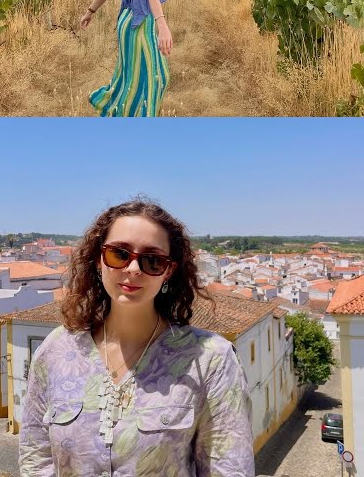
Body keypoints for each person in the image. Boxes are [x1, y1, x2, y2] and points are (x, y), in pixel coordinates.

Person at [19, 200, 254, 476]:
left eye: (152, 260)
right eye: (119, 254)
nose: (133, 269)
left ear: (168, 271)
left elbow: (229, 468)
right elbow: (36, 459)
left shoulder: (210, 360)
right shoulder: (56, 351)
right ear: (98, 260)